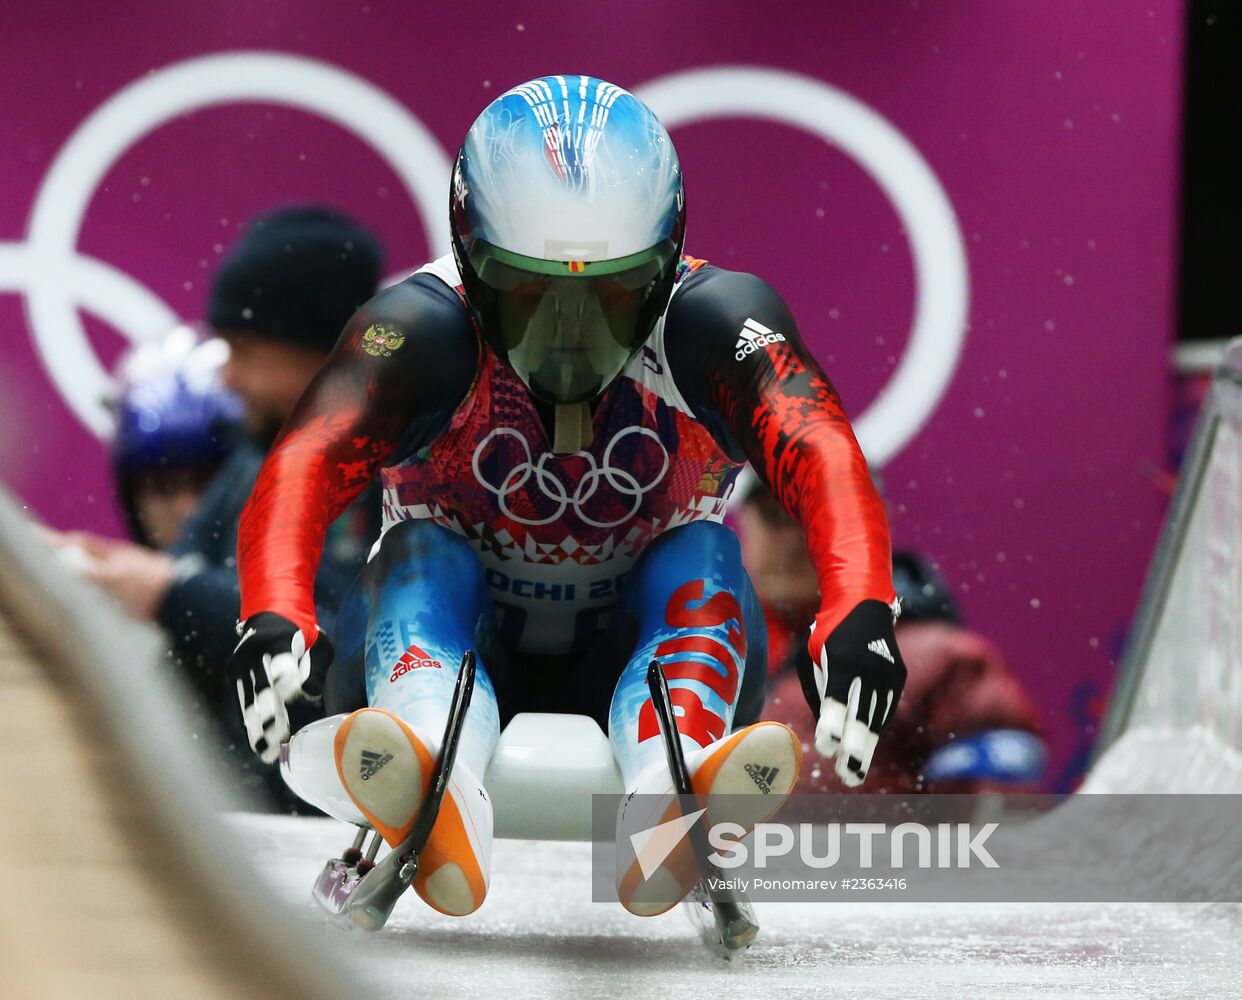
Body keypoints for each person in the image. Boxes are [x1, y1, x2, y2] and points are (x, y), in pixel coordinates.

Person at [228, 76, 906, 917]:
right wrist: (276, 613)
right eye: (532, 295)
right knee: (421, 550)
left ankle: (670, 771)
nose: (569, 335)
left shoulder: (719, 320)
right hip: (451, 632)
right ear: (474, 269)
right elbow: (305, 463)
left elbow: (820, 447)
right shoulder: (416, 329)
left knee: (703, 550)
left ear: (663, 274)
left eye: (610, 296)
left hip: (645, 641)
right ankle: (429, 744)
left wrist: (859, 609)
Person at [56, 206, 385, 810]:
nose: (226, 378)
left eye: (242, 350)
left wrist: (169, 594)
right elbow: (182, 585)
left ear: (326, 351)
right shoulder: (255, 462)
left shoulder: (407, 476)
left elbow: (351, 681)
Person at [735, 479, 1045, 793]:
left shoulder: (939, 660)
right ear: (745, 526)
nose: (794, 534)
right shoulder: (716, 660)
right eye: (775, 515)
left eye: (818, 512)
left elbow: (1001, 822)